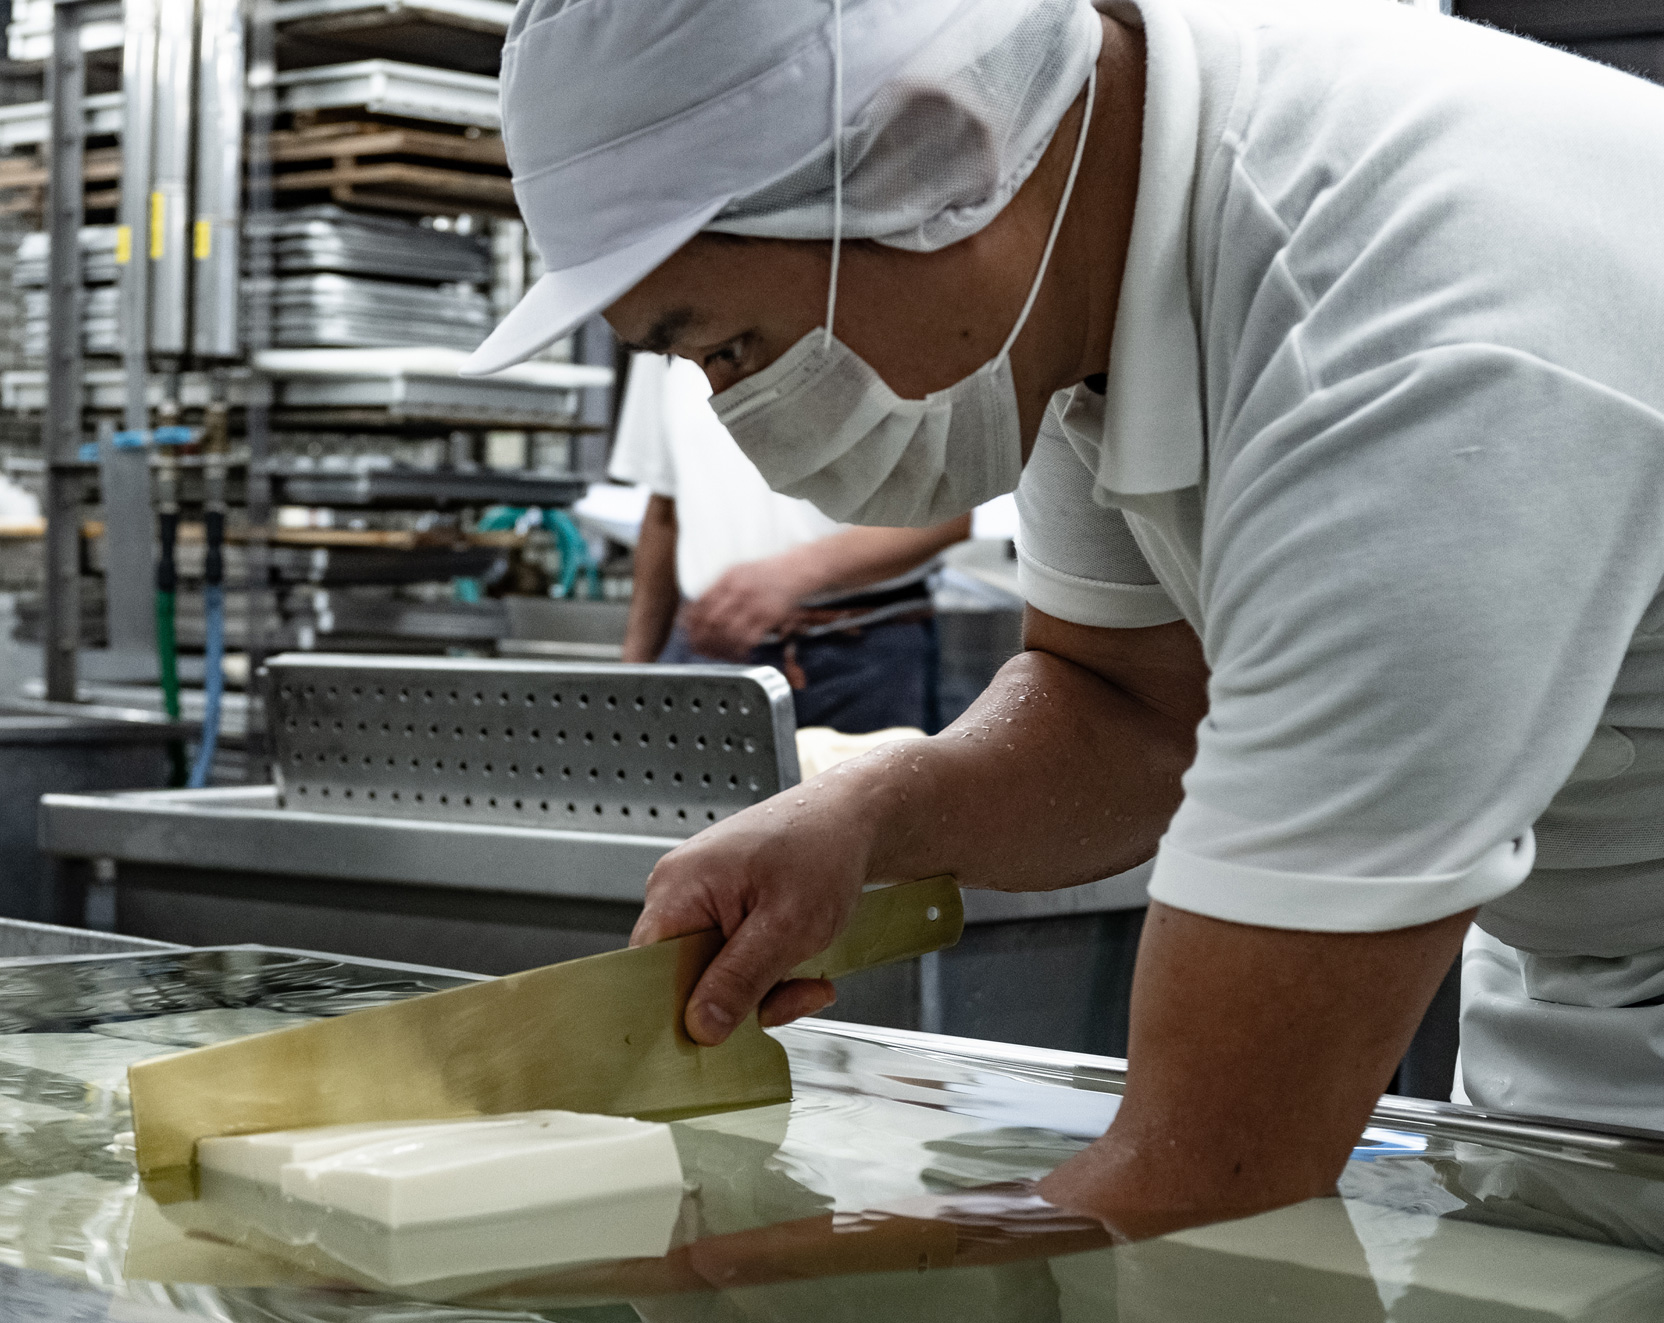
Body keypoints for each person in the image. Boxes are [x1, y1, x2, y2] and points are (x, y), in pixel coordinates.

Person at [462, 0, 1664, 1241]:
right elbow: (1134, 711)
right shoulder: (1078, 262)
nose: (742, 406)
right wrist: (870, 814)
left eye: (732, 345)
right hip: (1577, 1018)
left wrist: (643, 1276)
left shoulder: (1406, 339)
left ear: (937, 157)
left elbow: (1210, 1169)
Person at [611, 350, 970, 733]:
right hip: (709, 653)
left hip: (860, 659)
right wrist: (634, 676)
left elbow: (951, 514)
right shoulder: (660, 330)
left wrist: (796, 572)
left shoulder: (877, 315)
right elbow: (664, 511)